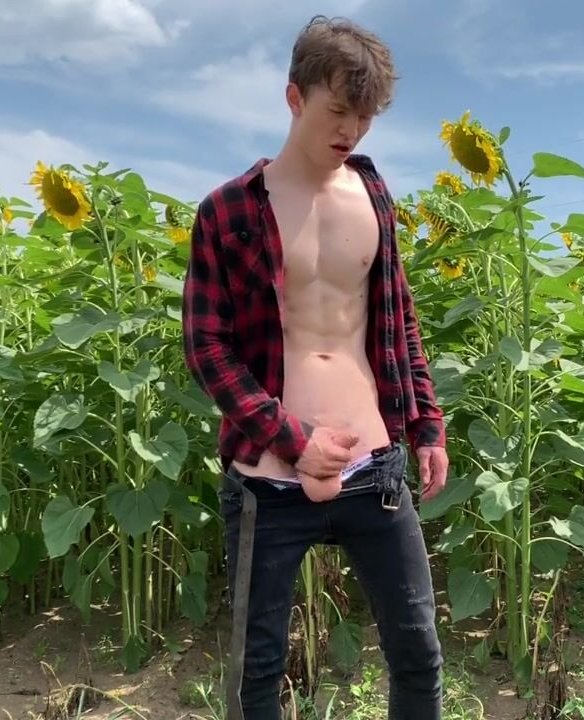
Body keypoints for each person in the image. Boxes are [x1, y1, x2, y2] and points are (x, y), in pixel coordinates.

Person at [180, 14, 448, 720]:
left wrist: (426, 423)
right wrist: (294, 440)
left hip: (374, 469)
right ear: (294, 98)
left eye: (365, 117)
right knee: (257, 671)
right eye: (338, 111)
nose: (351, 131)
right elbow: (207, 348)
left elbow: (398, 315)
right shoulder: (228, 211)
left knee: (417, 654)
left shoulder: (374, 196)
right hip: (268, 480)